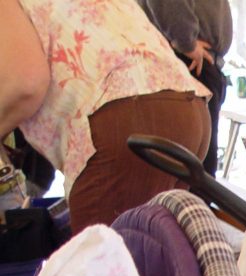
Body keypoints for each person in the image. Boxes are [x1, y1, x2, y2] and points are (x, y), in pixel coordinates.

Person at [0, 0, 211, 233]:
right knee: (146, 260)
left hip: (127, 116)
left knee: (97, 264)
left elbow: (25, 84)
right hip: (184, 106)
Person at [138, 0, 232, 177]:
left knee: (195, 168)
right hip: (189, 63)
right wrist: (186, 42)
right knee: (194, 172)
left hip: (194, 62)